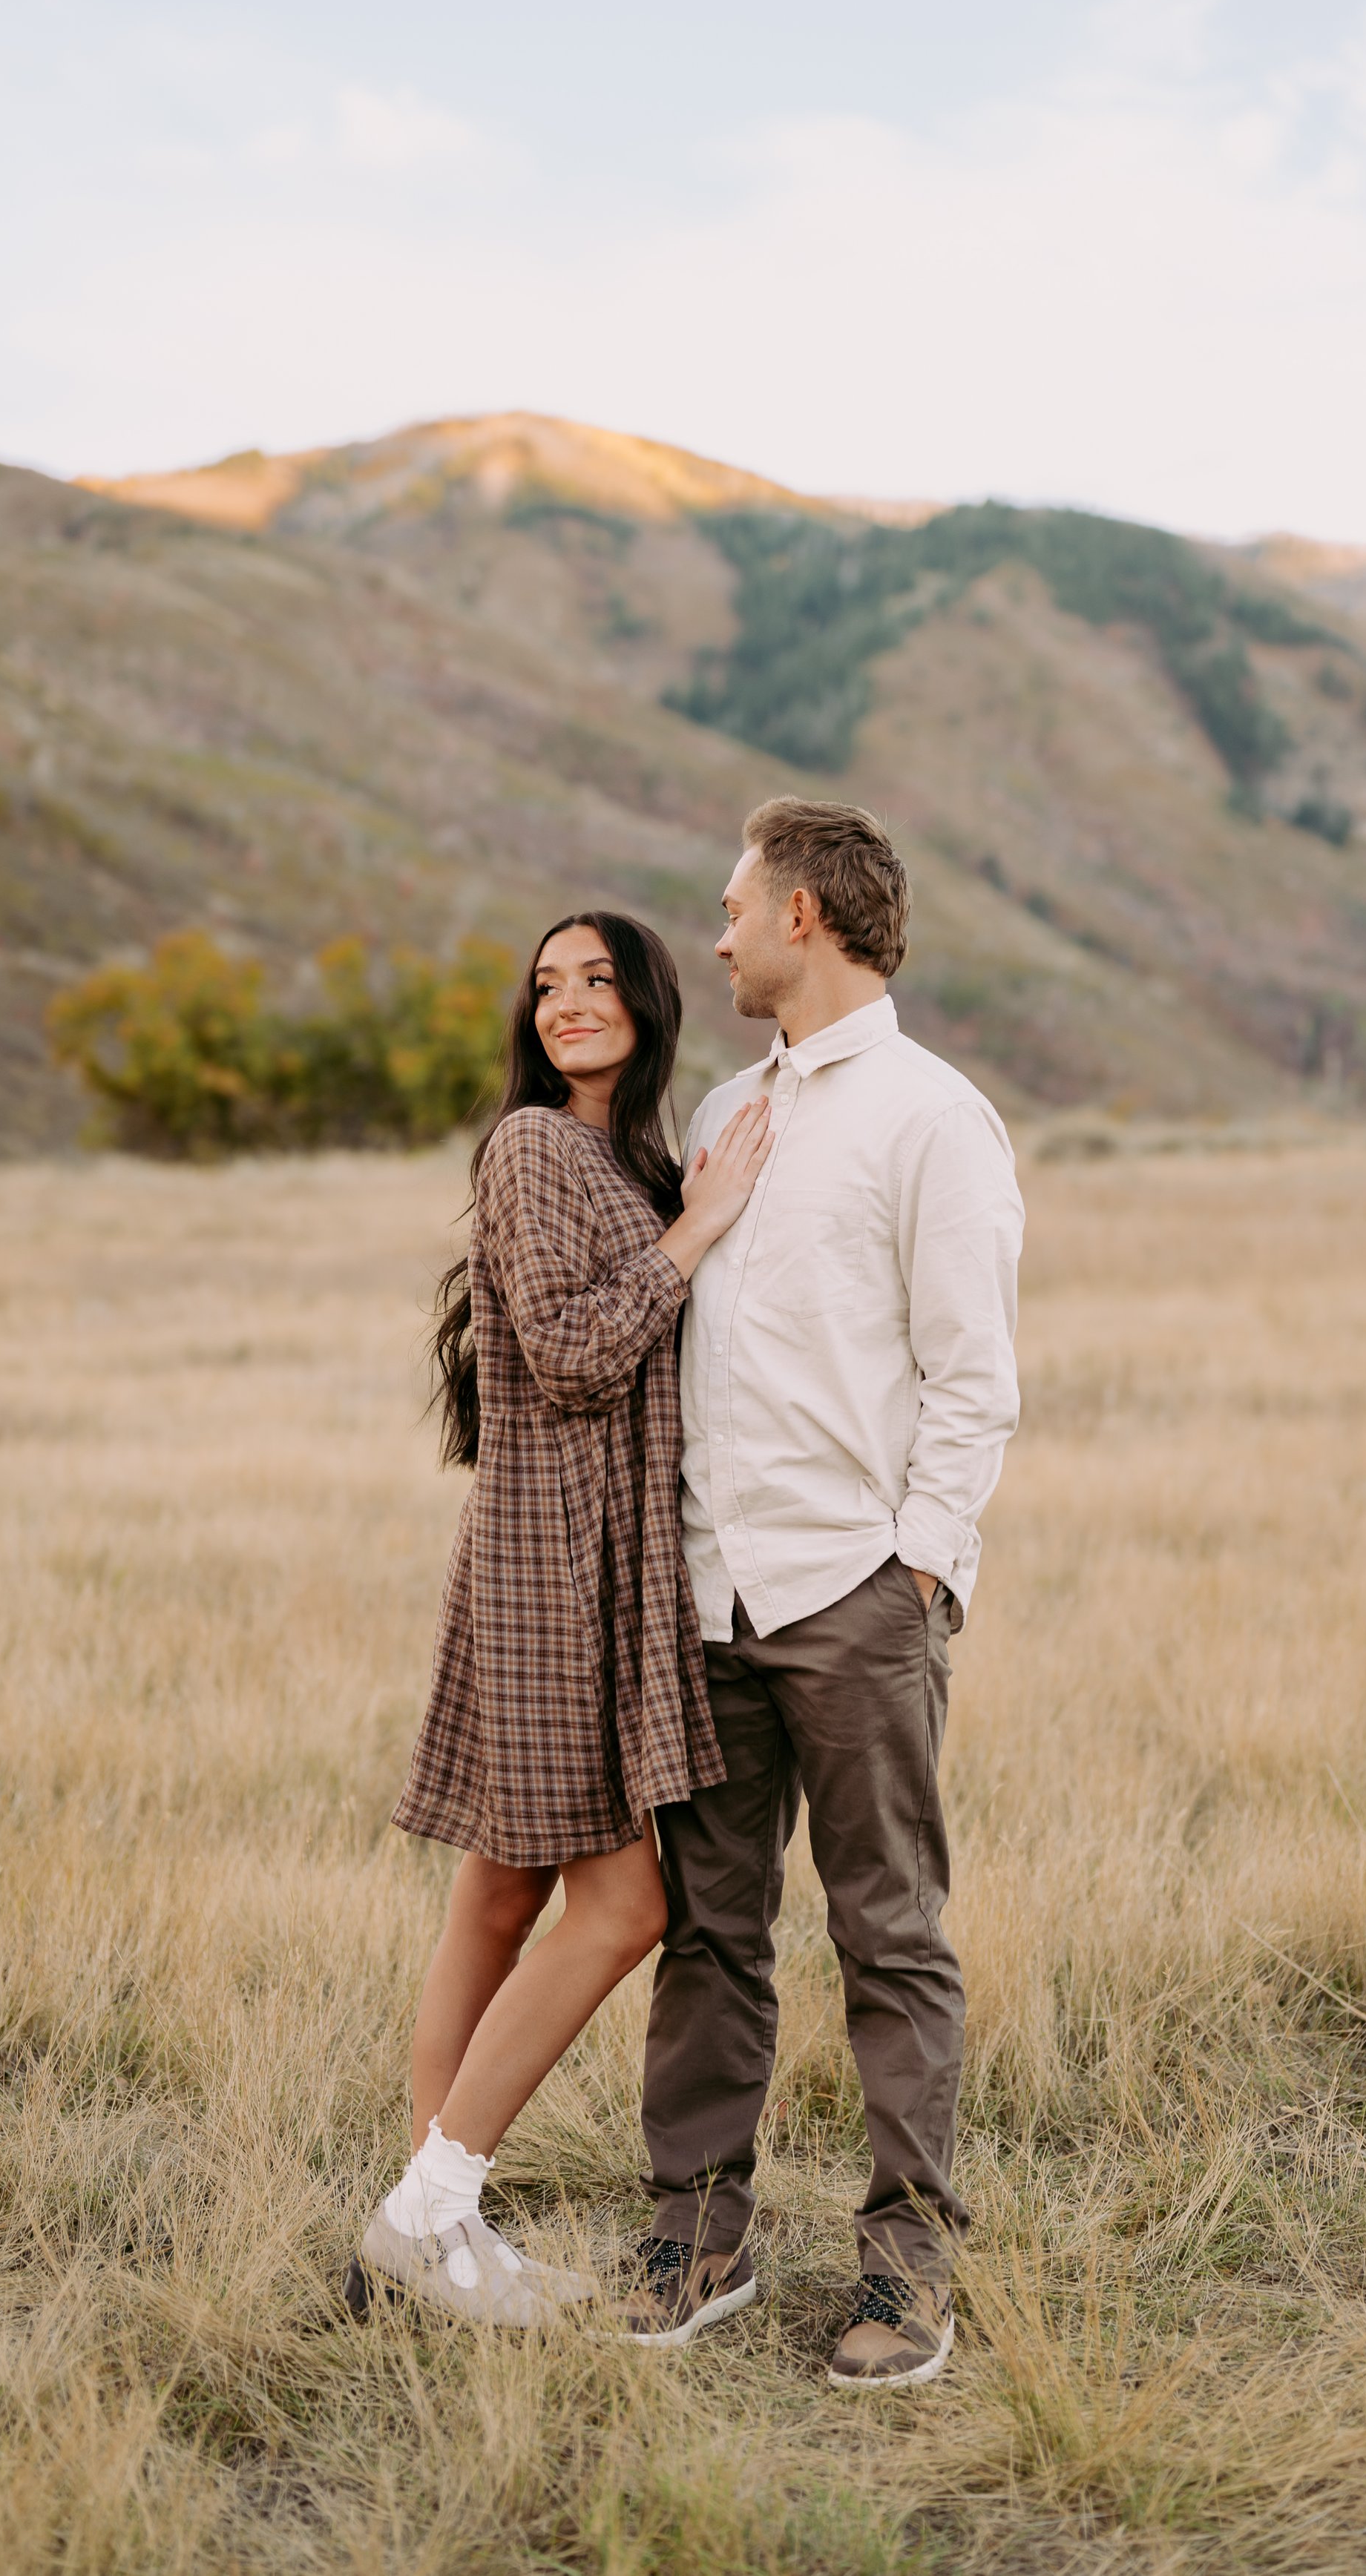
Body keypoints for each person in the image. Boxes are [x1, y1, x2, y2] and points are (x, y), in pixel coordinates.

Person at [619, 800, 1025, 2388]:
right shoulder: (729, 1105)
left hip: (856, 1595)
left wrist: (915, 1570)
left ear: (801, 914)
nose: (712, 936)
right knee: (709, 1937)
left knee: (889, 1937)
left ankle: (906, 2268)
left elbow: (972, 1378)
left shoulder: (935, 1118)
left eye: (730, 906)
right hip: (711, 1596)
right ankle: (696, 2238)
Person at [347, 910, 772, 2328]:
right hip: (550, 1575)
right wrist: (703, 1225)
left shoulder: (629, 1159)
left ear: (648, 1002)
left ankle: (431, 2223)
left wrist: (685, 1203)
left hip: (598, 1567)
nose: (567, 1003)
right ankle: (428, 2209)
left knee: (499, 1891)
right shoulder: (534, 1147)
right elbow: (578, 1353)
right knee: (627, 1900)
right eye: (546, 986)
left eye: (596, 980)